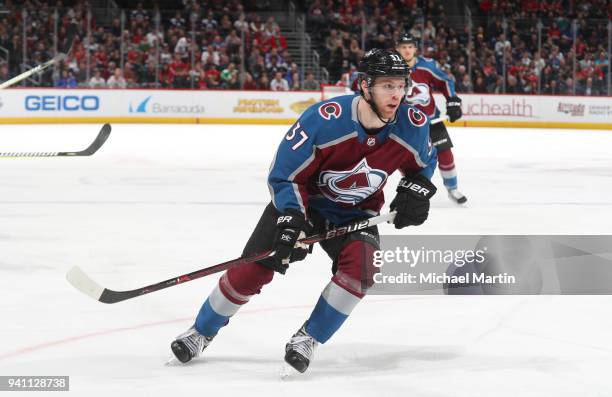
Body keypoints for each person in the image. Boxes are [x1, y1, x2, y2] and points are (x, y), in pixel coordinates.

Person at [170, 49, 437, 374]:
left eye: (400, 85)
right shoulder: (324, 120)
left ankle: (309, 338)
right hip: (304, 204)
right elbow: (285, 173)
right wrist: (291, 219)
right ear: (365, 86)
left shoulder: (413, 125)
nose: (396, 94)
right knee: (254, 268)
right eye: (386, 86)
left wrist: (416, 190)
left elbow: (424, 164)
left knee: (363, 269)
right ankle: (201, 331)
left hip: (357, 214)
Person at [395, 33, 468, 204]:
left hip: (431, 119)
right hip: (405, 124)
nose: (407, 50)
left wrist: (453, 101)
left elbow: (445, 81)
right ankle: (412, 191)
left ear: (415, 48)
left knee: (445, 153)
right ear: (397, 49)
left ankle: (453, 189)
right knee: (406, 159)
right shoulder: (392, 68)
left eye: (410, 47)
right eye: (403, 47)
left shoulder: (427, 66)